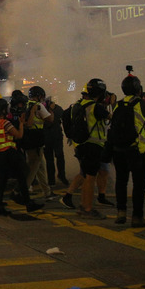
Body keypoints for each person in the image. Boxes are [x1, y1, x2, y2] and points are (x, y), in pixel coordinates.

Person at [110, 75, 145, 227]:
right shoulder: (142, 104)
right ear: (139, 89)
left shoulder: (118, 105)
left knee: (121, 181)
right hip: (137, 151)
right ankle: (137, 217)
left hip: (118, 150)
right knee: (139, 184)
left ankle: (121, 212)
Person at [60, 79, 111, 219]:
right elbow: (112, 118)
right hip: (93, 146)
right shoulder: (96, 107)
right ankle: (87, 208)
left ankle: (84, 206)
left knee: (86, 175)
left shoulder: (76, 105)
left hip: (80, 146)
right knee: (90, 178)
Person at [0, 98, 43, 216]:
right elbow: (19, 135)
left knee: (2, 180)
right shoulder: (5, 123)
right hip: (10, 154)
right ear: (3, 110)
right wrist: (22, 124)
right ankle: (28, 203)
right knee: (23, 175)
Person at [20, 87, 55, 200]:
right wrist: (51, 108)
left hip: (27, 139)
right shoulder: (39, 106)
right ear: (39, 96)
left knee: (40, 166)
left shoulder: (25, 104)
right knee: (33, 167)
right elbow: (50, 119)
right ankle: (21, 191)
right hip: (36, 139)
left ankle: (47, 192)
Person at [42, 95, 68, 186]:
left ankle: (56, 178)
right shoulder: (46, 109)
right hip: (52, 137)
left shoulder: (44, 109)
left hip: (52, 137)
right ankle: (55, 178)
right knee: (54, 158)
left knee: (54, 158)